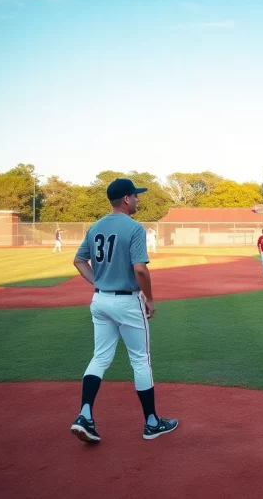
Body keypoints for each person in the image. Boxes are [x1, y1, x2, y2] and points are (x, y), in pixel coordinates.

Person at [70, 178, 177, 443]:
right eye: (136, 196)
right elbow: (140, 268)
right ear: (126, 199)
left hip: (100, 301)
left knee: (100, 358)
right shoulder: (134, 228)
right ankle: (152, 423)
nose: (138, 200)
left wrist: (99, 282)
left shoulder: (95, 227)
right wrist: (150, 299)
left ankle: (85, 415)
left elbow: (78, 260)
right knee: (140, 360)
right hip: (127, 302)